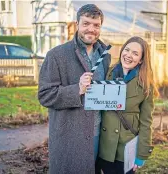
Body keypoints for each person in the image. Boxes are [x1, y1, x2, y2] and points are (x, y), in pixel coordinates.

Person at [38, 4, 111, 174]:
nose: (91, 29)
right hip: (69, 139)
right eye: (86, 23)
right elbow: (45, 95)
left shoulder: (105, 56)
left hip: (97, 134)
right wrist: (76, 89)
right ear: (77, 24)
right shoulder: (56, 55)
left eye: (96, 25)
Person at [97, 36, 158, 174]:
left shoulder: (145, 84)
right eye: (127, 50)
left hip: (125, 149)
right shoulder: (107, 73)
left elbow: (146, 122)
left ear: (141, 59)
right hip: (103, 146)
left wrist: (141, 154)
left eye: (135, 53)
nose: (129, 55)